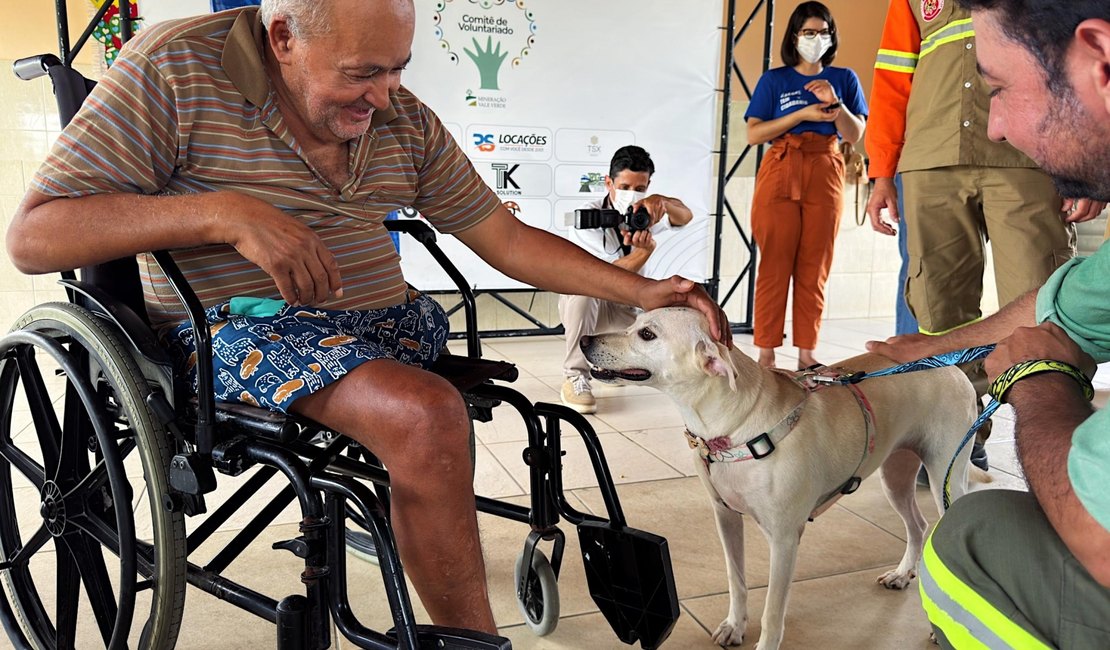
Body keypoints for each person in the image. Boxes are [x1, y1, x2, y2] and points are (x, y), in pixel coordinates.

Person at [4, 0, 730, 635]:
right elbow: (34, 238)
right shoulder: (175, 68)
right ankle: (470, 642)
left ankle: (420, 519)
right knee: (424, 416)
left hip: (385, 325)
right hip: (236, 332)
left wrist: (643, 292)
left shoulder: (399, 114)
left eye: (398, 69)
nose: (384, 97)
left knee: (455, 412)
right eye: (361, 74)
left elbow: (504, 240)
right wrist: (224, 214)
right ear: (283, 36)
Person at [867, 1, 1110, 645]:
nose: (995, 119)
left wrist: (1038, 384)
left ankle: (1042, 454)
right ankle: (953, 439)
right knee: (943, 306)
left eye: (999, 87)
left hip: (1027, 166)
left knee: (967, 546)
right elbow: (895, 71)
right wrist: (880, 168)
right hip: (933, 146)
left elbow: (1102, 534)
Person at [744, 1, 867, 370]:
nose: (816, 39)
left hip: (826, 166)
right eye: (808, 32)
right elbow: (753, 134)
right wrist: (802, 114)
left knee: (815, 265)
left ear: (832, 37)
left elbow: (856, 133)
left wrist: (836, 103)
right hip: (781, 165)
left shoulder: (844, 78)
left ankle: (807, 354)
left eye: (823, 32)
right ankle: (766, 352)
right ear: (795, 36)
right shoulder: (775, 80)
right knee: (775, 264)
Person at [558, 145, 692, 413]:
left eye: (640, 187)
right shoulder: (587, 218)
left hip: (625, 307)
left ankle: (609, 366)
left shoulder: (644, 214)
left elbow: (685, 216)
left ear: (648, 185)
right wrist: (642, 253)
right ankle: (575, 376)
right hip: (590, 306)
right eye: (625, 185)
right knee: (583, 293)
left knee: (665, 317)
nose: (632, 193)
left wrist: (662, 202)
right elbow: (601, 278)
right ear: (609, 183)